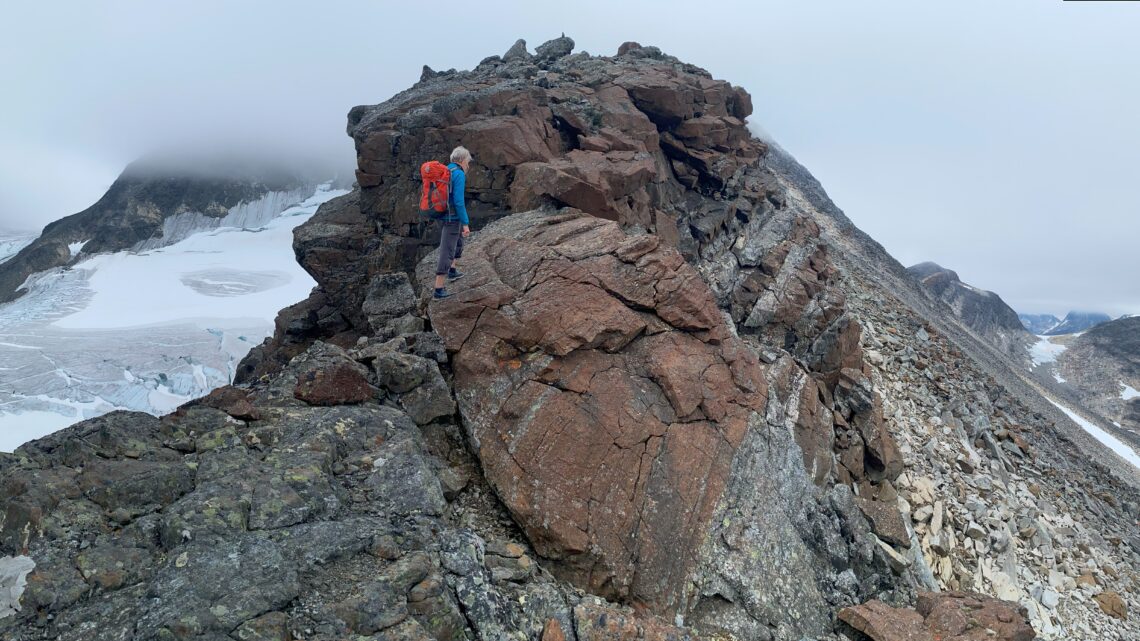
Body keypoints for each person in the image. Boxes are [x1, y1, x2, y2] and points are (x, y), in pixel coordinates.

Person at [433, 146, 472, 299]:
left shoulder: (446, 170)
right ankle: (438, 289)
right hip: (452, 218)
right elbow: (459, 201)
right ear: (462, 160)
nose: (468, 164)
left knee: (458, 242)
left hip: (443, 214)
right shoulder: (459, 174)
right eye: (468, 161)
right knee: (447, 249)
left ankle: (452, 271)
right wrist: (465, 223)